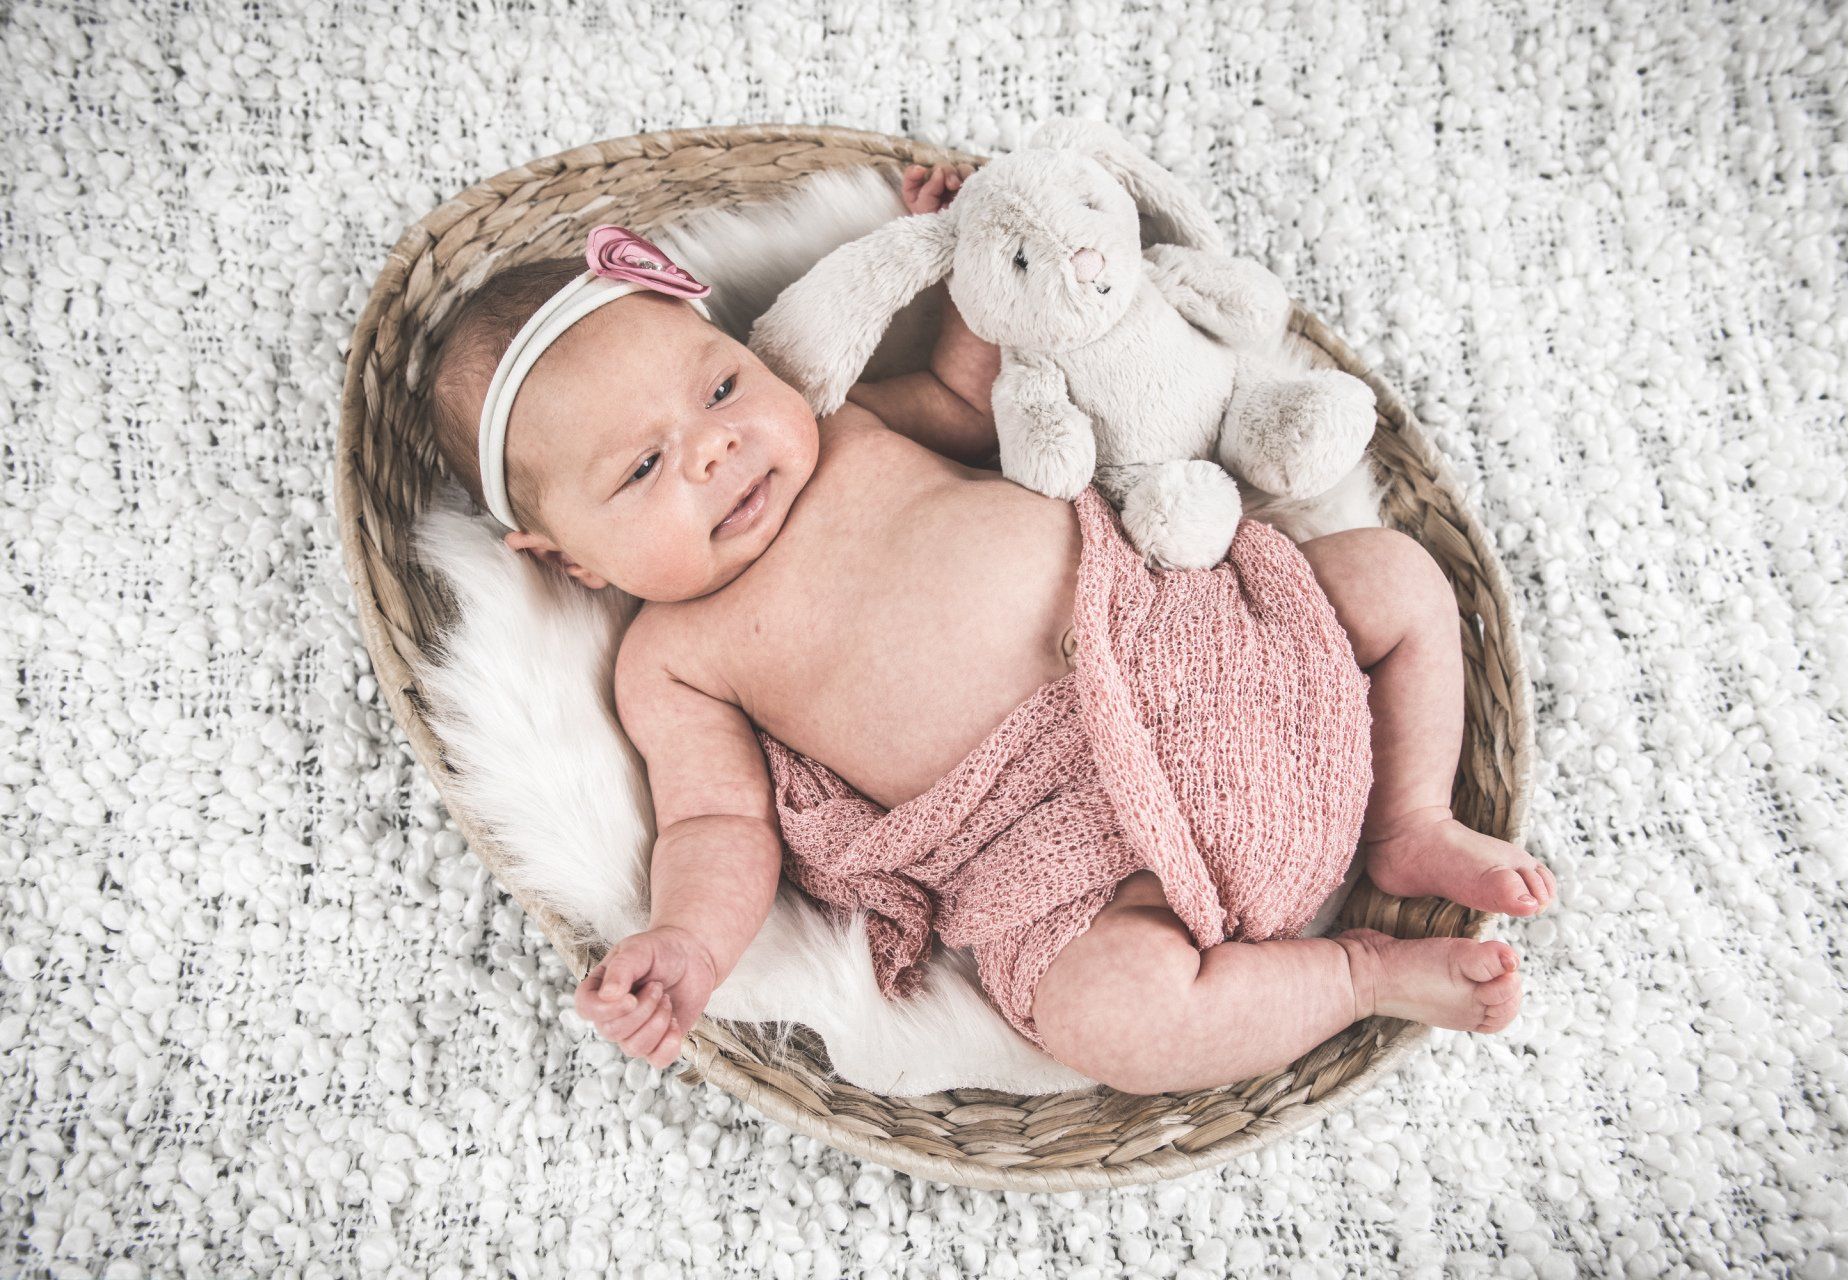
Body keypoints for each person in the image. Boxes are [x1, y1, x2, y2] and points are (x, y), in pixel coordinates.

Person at [424, 163, 1554, 1094]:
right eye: (640, 466)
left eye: (720, 389)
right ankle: (1360, 974)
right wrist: (688, 941)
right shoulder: (673, 659)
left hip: (1201, 643)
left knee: (1393, 575)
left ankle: (1411, 818)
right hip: (1060, 849)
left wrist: (959, 264)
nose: (714, 448)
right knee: (1111, 1016)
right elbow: (718, 822)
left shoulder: (848, 427)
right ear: (570, 561)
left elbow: (970, 405)